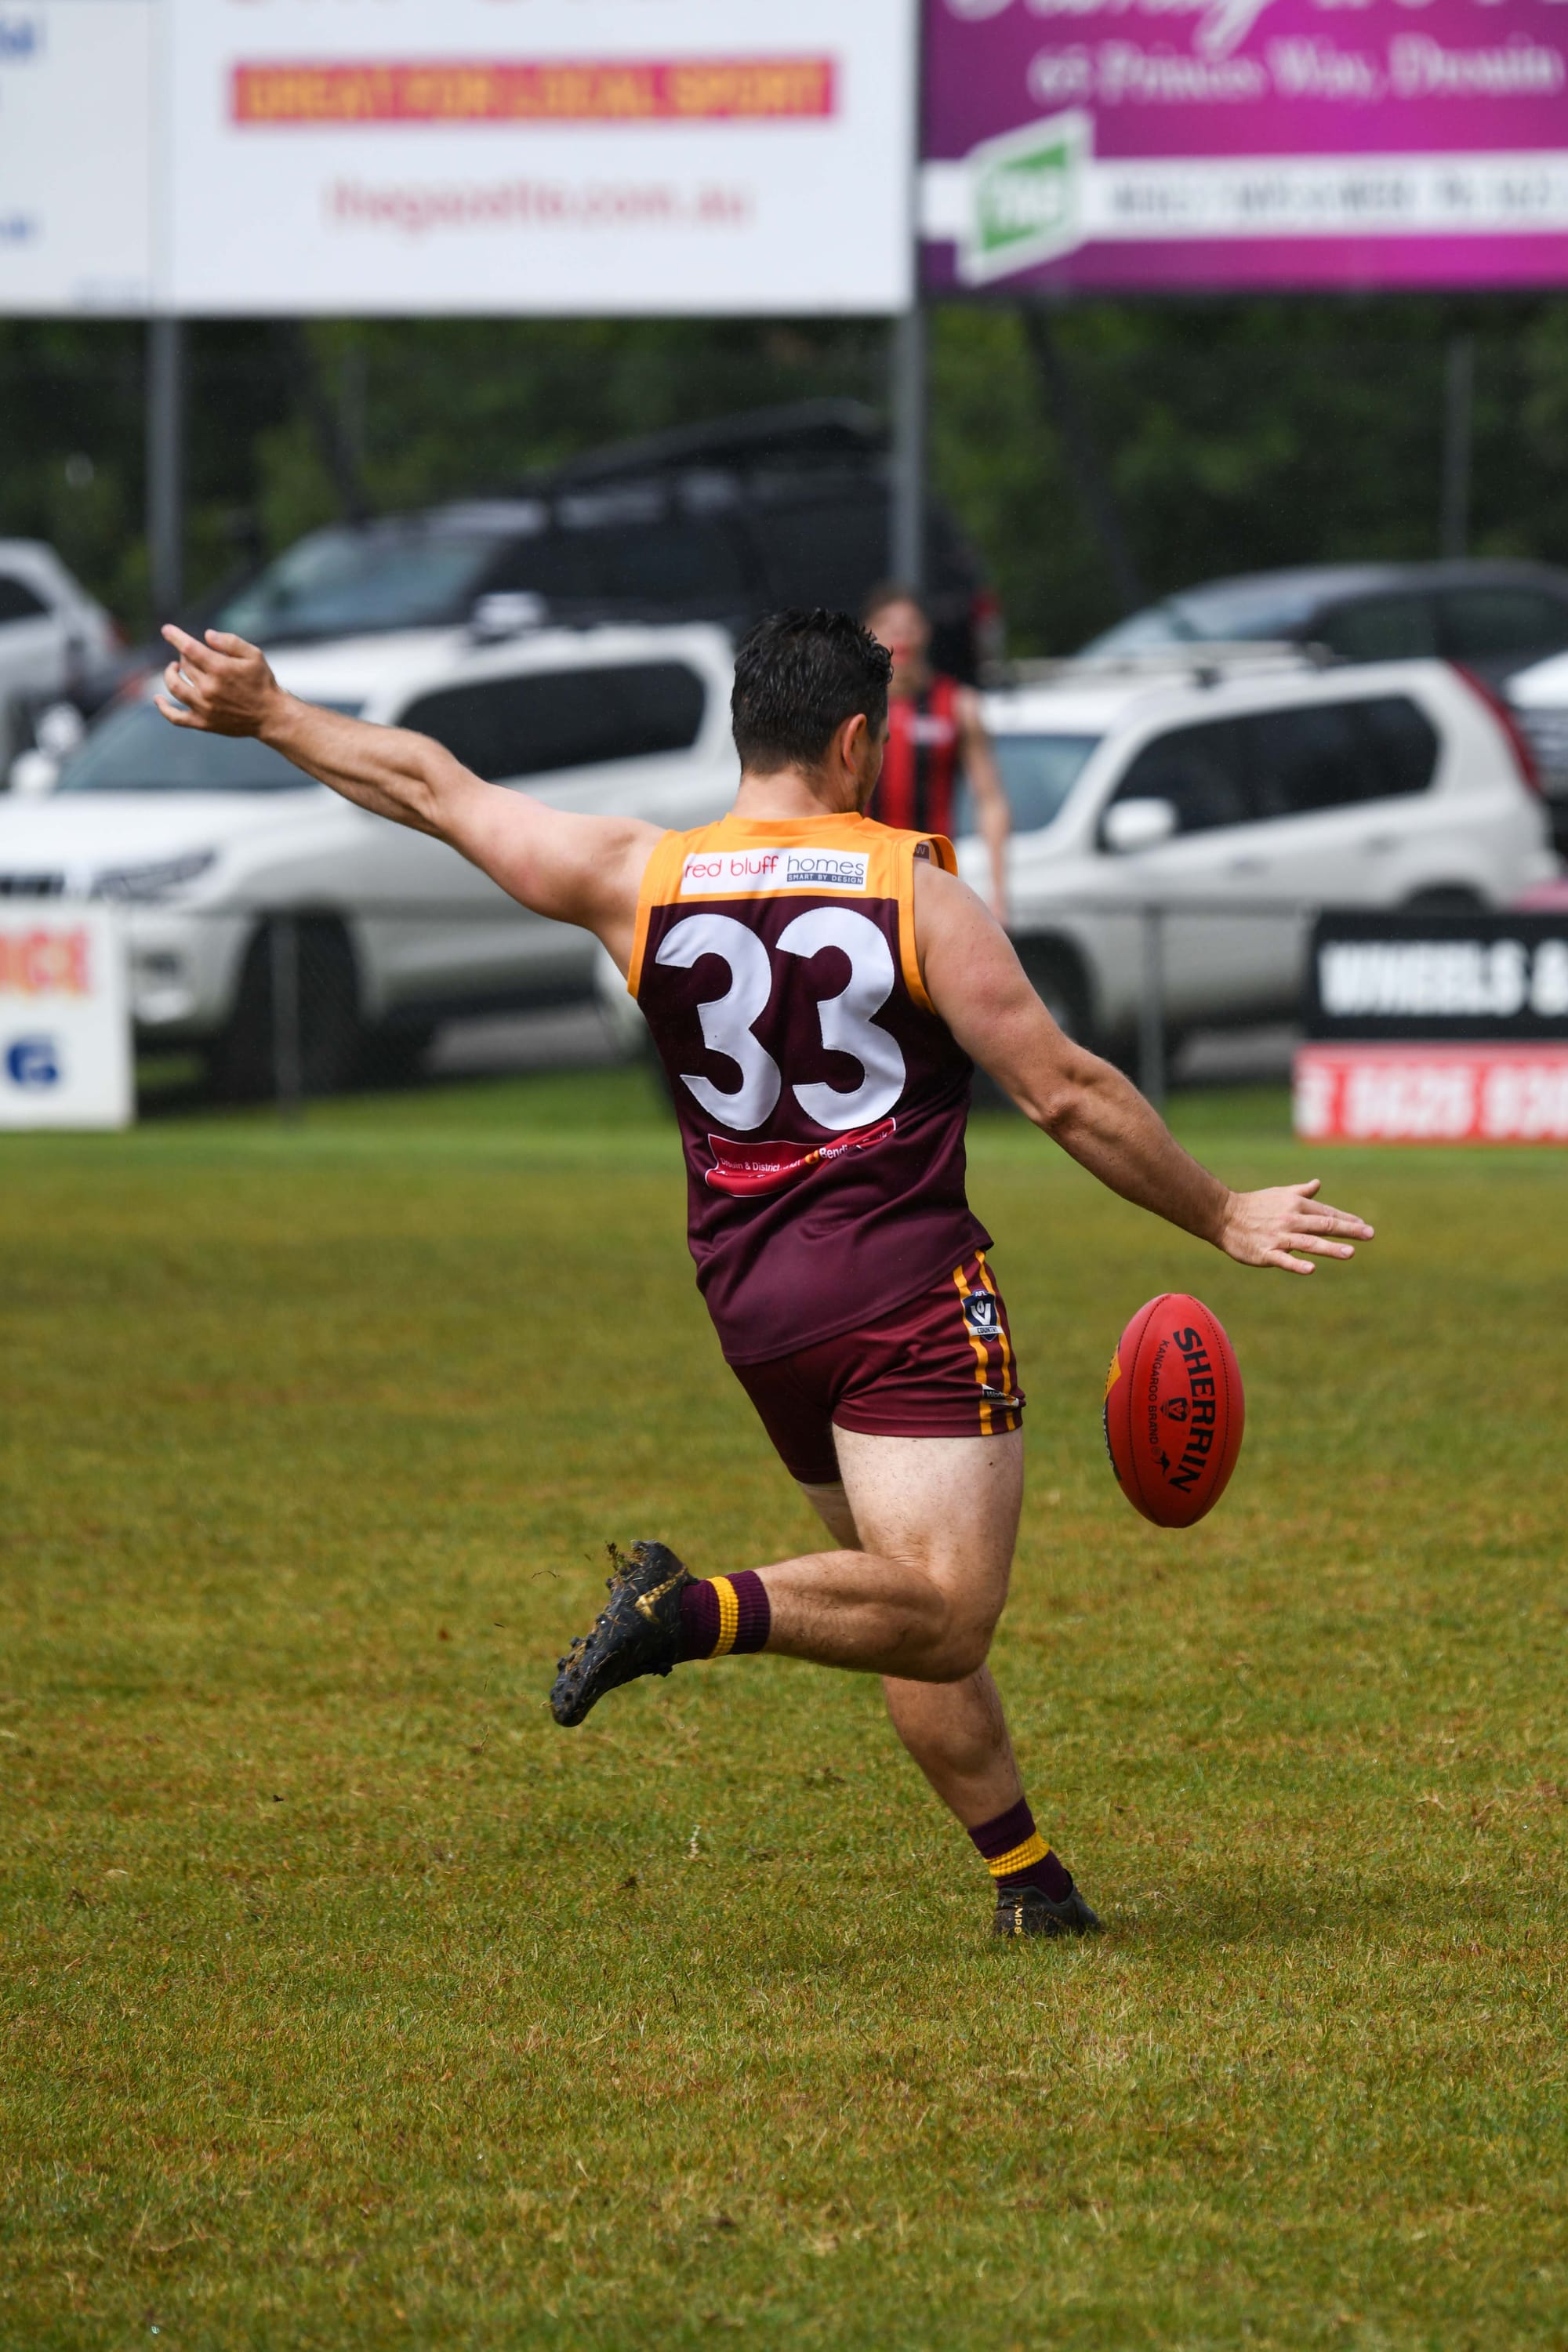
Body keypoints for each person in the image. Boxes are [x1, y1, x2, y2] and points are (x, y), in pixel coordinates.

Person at [155, 608, 1372, 1941]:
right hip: (903, 1294)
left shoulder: (640, 874)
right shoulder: (916, 893)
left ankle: (1032, 1887)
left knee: (889, 1603)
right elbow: (1068, 1094)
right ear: (858, 743)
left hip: (753, 1309)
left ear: (748, 733)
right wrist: (1222, 1213)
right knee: (946, 1614)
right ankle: (690, 1611)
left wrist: (273, 714)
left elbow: (436, 788)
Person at [863, 585, 1011, 924]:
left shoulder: (958, 705)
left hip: (929, 877)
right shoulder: (850, 707)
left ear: (926, 633)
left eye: (910, 625)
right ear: (867, 633)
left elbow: (991, 802)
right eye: (889, 625)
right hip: (862, 875)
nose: (901, 635)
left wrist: (1000, 893)